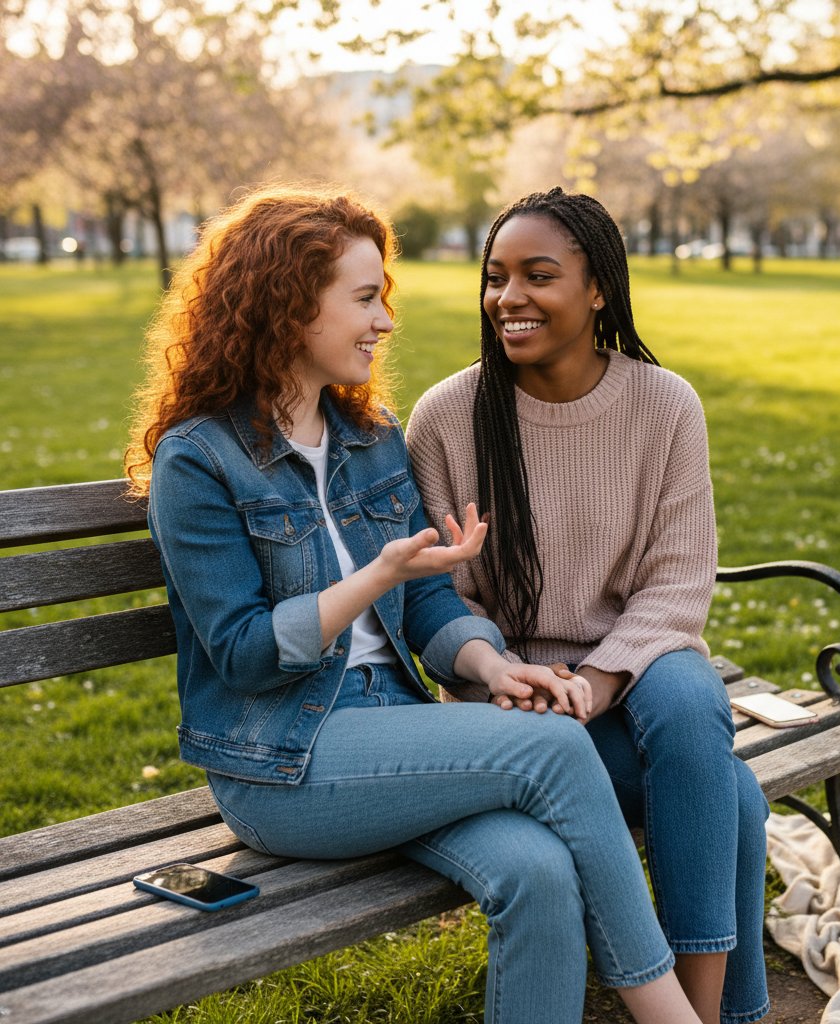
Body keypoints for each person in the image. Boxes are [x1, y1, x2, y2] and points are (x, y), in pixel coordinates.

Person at [124, 184, 707, 1024]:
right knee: (553, 751)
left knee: (537, 871)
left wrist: (491, 665)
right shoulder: (200, 461)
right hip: (284, 760)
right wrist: (373, 578)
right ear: (289, 308)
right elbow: (246, 654)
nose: (385, 322)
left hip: (396, 736)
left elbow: (432, 603)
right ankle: (668, 1014)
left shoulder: (369, 438)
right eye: (365, 298)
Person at [406, 186, 771, 1024]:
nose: (509, 299)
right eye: (496, 278)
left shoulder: (664, 405)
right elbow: (441, 599)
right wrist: (514, 676)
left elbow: (679, 584)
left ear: (598, 287)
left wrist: (603, 679)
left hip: (633, 673)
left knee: (688, 698)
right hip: (511, 699)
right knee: (736, 797)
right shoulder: (449, 417)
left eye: (539, 276)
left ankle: (700, 1014)